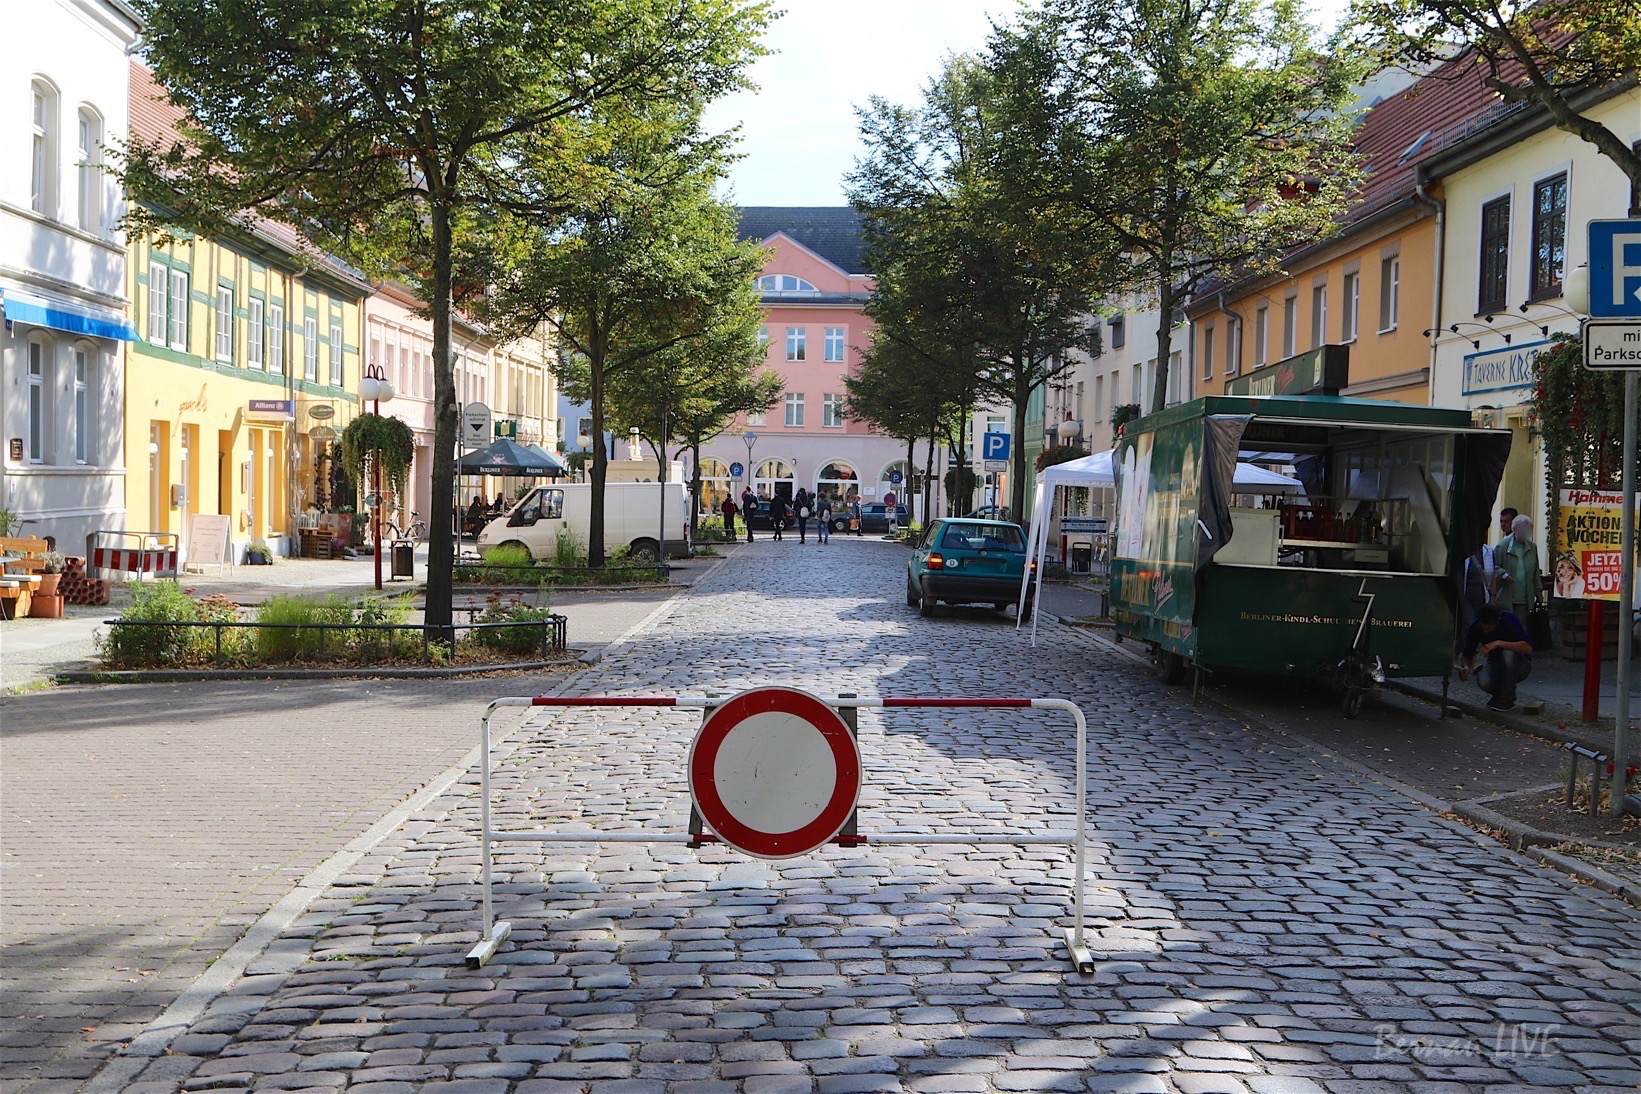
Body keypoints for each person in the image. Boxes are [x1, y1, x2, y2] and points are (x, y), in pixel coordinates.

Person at [1460, 602, 1533, 712]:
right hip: (1496, 664)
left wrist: (1499, 643)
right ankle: (1499, 695)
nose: (1485, 631)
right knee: (1484, 681)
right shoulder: (1475, 628)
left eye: (1489, 629)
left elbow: (1527, 648)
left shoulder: (1510, 621)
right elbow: (1468, 654)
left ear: (1497, 622)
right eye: (1483, 628)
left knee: (1508, 653)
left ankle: (1507, 698)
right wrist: (1465, 667)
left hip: (1519, 665)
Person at [1492, 513, 1542, 620]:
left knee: (1521, 629)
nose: (1527, 533)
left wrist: (1539, 592)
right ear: (1515, 530)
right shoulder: (1502, 547)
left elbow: (1536, 572)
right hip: (1507, 597)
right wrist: (1504, 575)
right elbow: (1493, 567)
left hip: (1525, 599)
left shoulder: (1532, 547)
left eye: (1529, 530)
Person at [1457, 542, 1491, 657]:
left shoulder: (1489, 551)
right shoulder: (1464, 551)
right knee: (1469, 624)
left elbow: (1493, 573)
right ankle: (1469, 656)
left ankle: (1462, 653)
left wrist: (1494, 595)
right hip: (1466, 595)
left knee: (1478, 625)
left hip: (1482, 595)